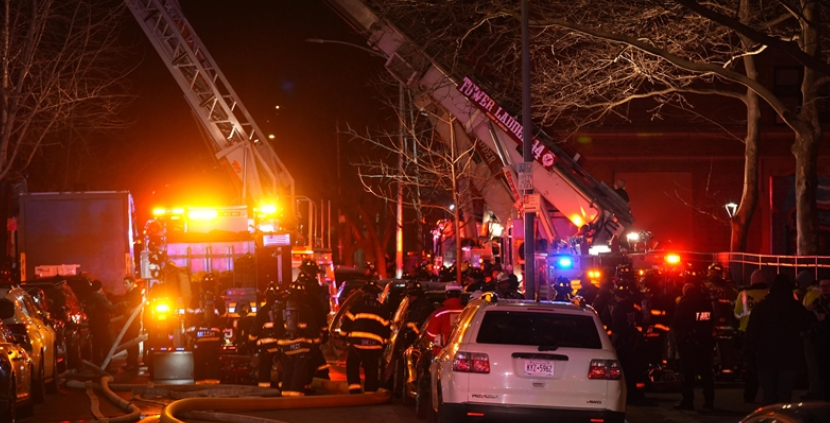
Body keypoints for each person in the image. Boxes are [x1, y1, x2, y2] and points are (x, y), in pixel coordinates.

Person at [745, 274, 813, 406]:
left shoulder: (761, 307)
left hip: (766, 358)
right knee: (785, 395)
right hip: (789, 358)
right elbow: (808, 325)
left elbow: (752, 333)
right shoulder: (796, 307)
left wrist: (749, 356)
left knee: (768, 394)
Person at [341, 280, 390, 394]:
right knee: (371, 368)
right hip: (375, 345)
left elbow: (347, 322)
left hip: (357, 343)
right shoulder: (382, 309)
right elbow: (386, 330)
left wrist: (342, 336)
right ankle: (370, 392)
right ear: (376, 294)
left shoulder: (357, 305)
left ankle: (354, 389)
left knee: (352, 364)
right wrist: (383, 345)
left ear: (364, 292)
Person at [672, 282, 715, 410]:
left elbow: (676, 322)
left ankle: (688, 401)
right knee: (706, 373)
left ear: (685, 292)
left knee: (688, 374)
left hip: (688, 344)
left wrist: (680, 339)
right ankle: (709, 401)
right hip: (705, 343)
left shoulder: (685, 303)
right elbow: (712, 320)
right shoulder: (706, 303)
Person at [277, 281, 320, 397]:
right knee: (299, 370)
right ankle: (296, 396)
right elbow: (314, 331)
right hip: (301, 347)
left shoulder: (282, 309)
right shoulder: (307, 309)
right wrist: (315, 345)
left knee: (287, 369)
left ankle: (285, 394)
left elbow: (277, 330)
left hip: (286, 347)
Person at [733, 269, 769, 403]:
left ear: (751, 281)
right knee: (766, 367)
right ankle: (769, 395)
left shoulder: (743, 295)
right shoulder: (769, 294)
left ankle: (749, 395)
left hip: (747, 334)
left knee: (750, 367)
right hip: (766, 335)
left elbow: (737, 315)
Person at [610, 279, 645, 404]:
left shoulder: (618, 309)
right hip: (632, 341)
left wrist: (612, 344)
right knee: (632, 369)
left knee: (624, 370)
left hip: (622, 343)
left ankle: (627, 395)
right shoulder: (631, 305)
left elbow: (616, 329)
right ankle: (635, 394)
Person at [250, 283, 283, 388]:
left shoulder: (263, 310)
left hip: (267, 347)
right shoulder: (285, 309)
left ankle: (264, 388)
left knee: (265, 366)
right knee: (283, 367)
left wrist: (251, 342)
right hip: (282, 345)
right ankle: (282, 386)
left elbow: (254, 330)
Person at [86, 279, 124, 367]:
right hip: (102, 325)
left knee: (96, 346)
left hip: (94, 326)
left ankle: (97, 365)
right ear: (100, 288)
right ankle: (106, 366)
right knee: (107, 345)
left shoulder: (89, 298)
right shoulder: (100, 298)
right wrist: (121, 305)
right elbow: (110, 309)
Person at [806, 279, 830, 401]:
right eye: (823, 286)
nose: (825, 288)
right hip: (820, 341)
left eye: (828, 286)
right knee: (821, 369)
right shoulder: (817, 301)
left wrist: (827, 318)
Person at [425, 284, 465, 355]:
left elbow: (430, 334)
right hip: (463, 352)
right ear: (460, 295)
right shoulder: (467, 312)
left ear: (446, 295)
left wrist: (444, 339)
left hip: (442, 353)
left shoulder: (438, 314)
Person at [121, 276, 144, 371]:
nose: (124, 285)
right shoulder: (128, 294)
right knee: (128, 343)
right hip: (128, 322)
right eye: (124, 283)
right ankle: (130, 362)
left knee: (133, 343)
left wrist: (130, 311)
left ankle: (133, 363)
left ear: (132, 283)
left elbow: (136, 307)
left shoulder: (136, 294)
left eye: (126, 283)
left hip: (134, 323)